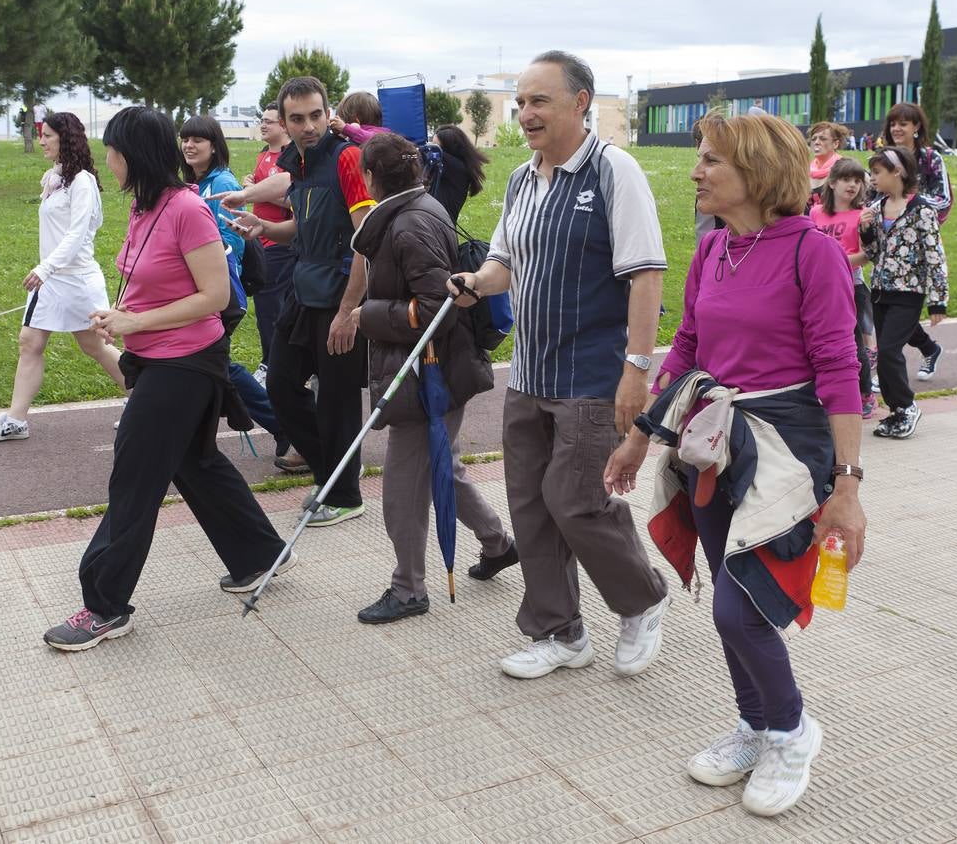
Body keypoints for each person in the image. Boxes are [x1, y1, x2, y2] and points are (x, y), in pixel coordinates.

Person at [617, 111, 866, 818]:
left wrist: (848, 488)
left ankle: (791, 729)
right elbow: (689, 348)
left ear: (755, 173)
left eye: (709, 162)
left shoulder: (811, 253)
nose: (695, 172)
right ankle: (754, 724)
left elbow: (840, 373)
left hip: (784, 450)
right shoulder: (712, 249)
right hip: (711, 445)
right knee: (731, 608)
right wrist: (642, 435)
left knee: (742, 605)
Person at [447, 50, 670, 680]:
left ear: (581, 103)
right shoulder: (522, 179)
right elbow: (503, 264)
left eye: (539, 100)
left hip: (592, 377)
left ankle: (643, 599)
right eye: (520, 102)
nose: (524, 114)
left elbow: (646, 275)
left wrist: (637, 368)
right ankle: (559, 631)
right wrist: (475, 282)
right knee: (531, 505)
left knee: (576, 500)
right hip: (529, 374)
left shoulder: (613, 172)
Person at [41, 107, 293, 652]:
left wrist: (137, 321)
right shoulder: (143, 206)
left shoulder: (188, 209)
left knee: (134, 477)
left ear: (132, 156)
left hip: (188, 365)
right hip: (159, 359)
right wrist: (120, 312)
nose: (106, 162)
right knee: (195, 463)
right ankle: (260, 554)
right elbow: (151, 278)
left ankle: (104, 605)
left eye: (112, 152)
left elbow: (214, 296)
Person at [350, 133, 514, 623]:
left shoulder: (409, 225)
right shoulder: (421, 209)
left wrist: (369, 315)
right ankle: (498, 543)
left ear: (371, 178)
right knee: (443, 465)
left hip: (431, 374)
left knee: (404, 485)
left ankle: (408, 590)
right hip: (437, 370)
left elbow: (439, 308)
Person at [222, 77, 376, 527]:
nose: (308, 126)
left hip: (341, 294)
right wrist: (264, 228)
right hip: (304, 290)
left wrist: (349, 311)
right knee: (281, 385)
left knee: (337, 400)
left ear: (329, 114)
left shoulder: (347, 158)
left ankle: (345, 494)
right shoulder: (296, 161)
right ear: (284, 122)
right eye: (297, 118)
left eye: (315, 116)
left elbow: (364, 241)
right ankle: (331, 474)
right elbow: (303, 228)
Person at [0, 112, 125, 443]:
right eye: (40, 135)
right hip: (53, 280)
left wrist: (45, 268)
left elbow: (76, 235)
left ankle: (145, 400)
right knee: (30, 342)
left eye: (47, 135)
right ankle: (16, 420)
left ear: (65, 138)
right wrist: (47, 270)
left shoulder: (83, 181)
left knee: (95, 345)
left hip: (74, 280)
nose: (41, 141)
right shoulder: (57, 178)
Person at [178, 114, 302, 470]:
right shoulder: (196, 184)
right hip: (202, 293)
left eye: (198, 140)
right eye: (185, 139)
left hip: (218, 294)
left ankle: (290, 430)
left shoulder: (222, 183)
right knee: (210, 368)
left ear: (215, 145)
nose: (189, 145)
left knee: (219, 368)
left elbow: (230, 243)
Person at [860, 146, 948, 440]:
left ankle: (907, 406)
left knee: (887, 352)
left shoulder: (922, 210)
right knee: (884, 353)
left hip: (909, 292)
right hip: (881, 290)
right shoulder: (876, 208)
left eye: (877, 172)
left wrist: (938, 300)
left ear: (897, 172)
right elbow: (873, 253)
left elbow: (935, 255)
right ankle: (896, 412)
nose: (872, 178)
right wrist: (867, 233)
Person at [880, 103, 951, 380]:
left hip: (917, 243)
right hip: (886, 242)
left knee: (903, 303)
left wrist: (909, 203)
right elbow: (874, 193)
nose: (897, 129)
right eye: (893, 123)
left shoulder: (931, 158)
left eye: (904, 124)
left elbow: (943, 198)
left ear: (917, 127)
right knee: (886, 308)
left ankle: (887, 367)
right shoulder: (883, 157)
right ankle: (929, 348)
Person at [810, 157, 876, 417]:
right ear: (833, 182)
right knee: (818, 341)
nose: (853, 185)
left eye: (858, 180)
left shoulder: (862, 215)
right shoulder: (816, 213)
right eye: (847, 179)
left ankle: (865, 392)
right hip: (820, 287)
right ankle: (822, 392)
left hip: (851, 286)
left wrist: (834, 261)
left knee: (853, 343)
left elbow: (867, 254)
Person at [247, 104, 298, 415]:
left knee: (271, 309)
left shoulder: (288, 158)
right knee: (267, 307)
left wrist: (255, 192)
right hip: (260, 240)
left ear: (282, 125)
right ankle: (275, 363)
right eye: (261, 121)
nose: (263, 126)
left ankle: (271, 366)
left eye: (269, 122)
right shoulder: (264, 155)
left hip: (280, 242)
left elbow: (294, 200)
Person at [427, 124, 489, 225]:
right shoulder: (451, 167)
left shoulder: (456, 168)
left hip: (439, 231)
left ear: (449, 149)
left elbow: (423, 152)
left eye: (436, 147)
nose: (432, 150)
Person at [806, 121, 849, 204]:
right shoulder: (806, 170)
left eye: (823, 139)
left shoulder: (845, 168)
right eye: (813, 139)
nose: (817, 142)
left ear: (835, 144)